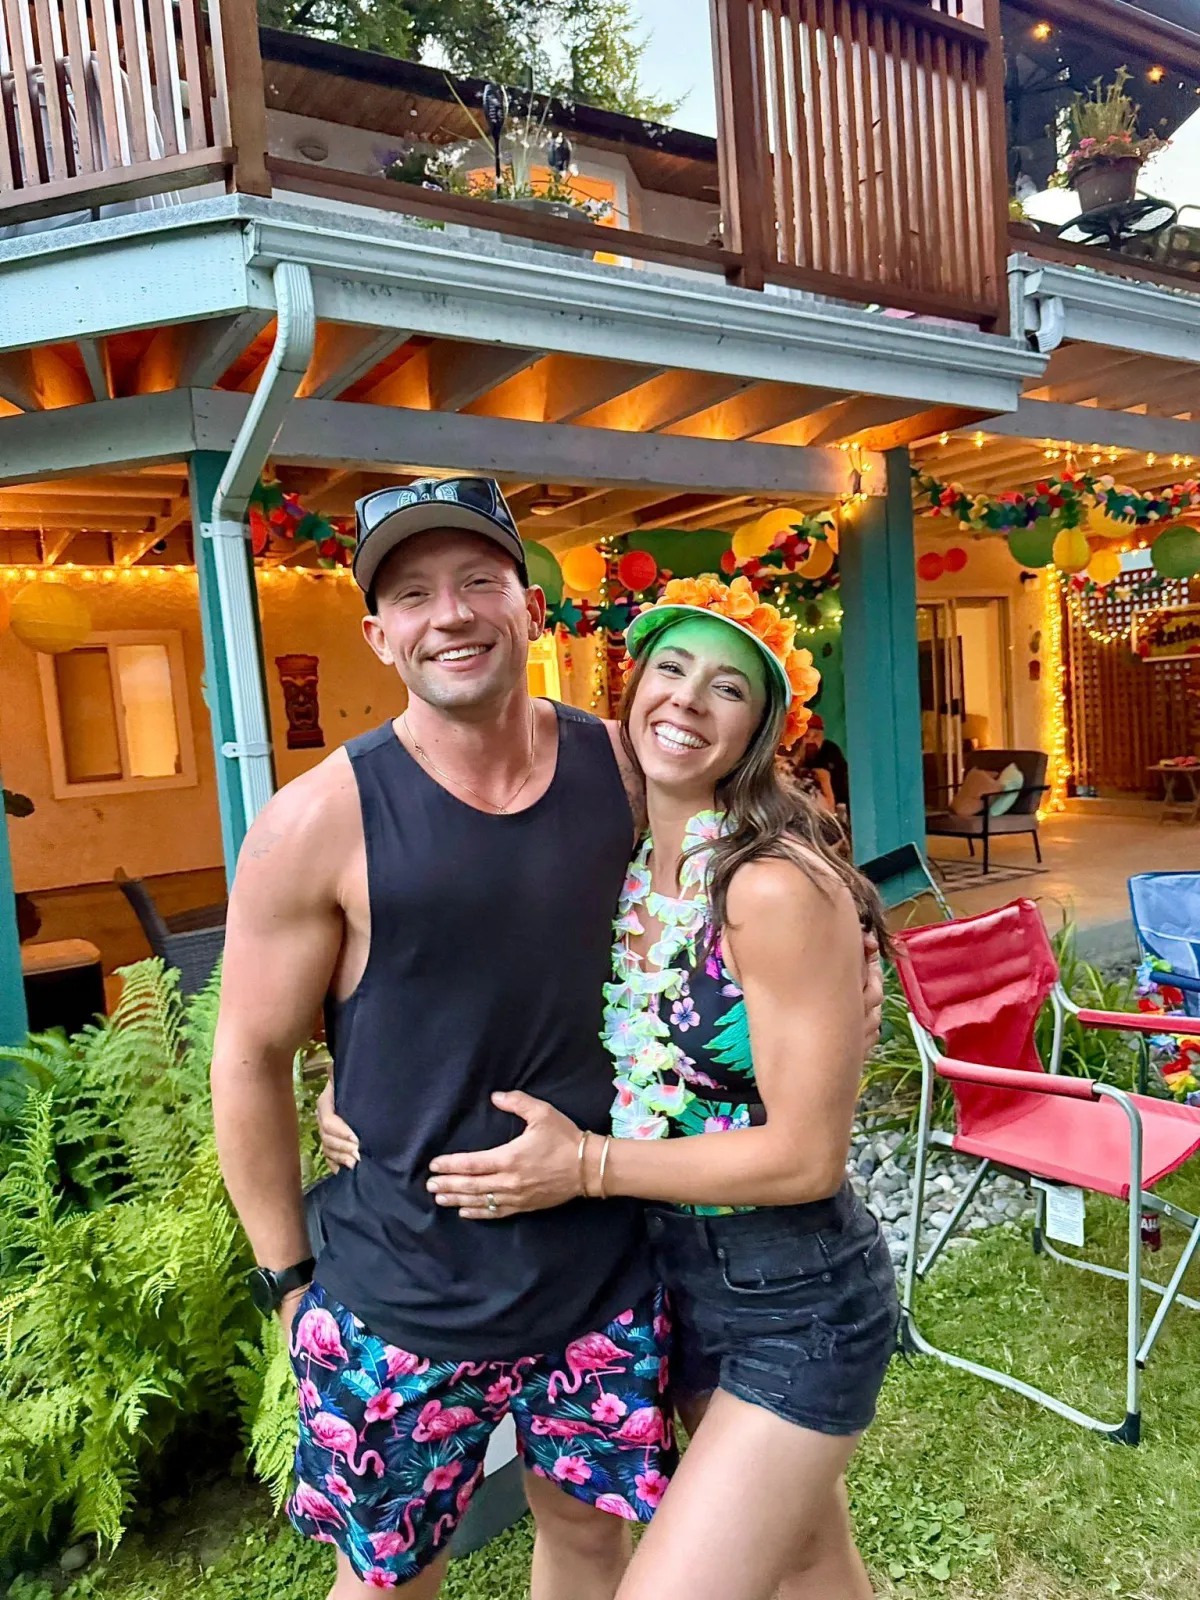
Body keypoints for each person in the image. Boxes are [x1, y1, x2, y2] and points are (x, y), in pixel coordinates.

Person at [212, 478, 883, 1600]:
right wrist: (289, 1277)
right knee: (382, 1581)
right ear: (379, 635)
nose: (454, 612)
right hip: (404, 1294)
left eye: (480, 580)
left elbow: (750, 878)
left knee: (588, 1540)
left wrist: (847, 945)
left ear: (531, 604)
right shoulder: (314, 821)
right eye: (415, 593)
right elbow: (248, 1055)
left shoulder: (623, 768)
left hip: (608, 1281)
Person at [413, 575, 898, 1600]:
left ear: (764, 726)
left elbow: (808, 1155)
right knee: (807, 1561)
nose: (687, 699)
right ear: (631, 692)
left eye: (727, 687)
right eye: (670, 668)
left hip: (792, 1291)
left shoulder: (768, 883)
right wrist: (358, 1097)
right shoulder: (628, 860)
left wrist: (585, 1165)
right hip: (669, 1277)